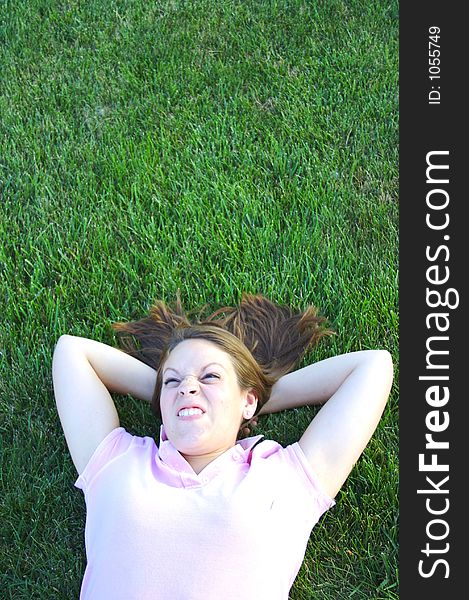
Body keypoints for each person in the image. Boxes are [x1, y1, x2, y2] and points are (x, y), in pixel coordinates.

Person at [52, 293, 393, 600]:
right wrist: (170, 396)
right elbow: (72, 351)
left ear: (248, 401)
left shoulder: (284, 480)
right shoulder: (119, 463)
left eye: (210, 376)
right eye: (172, 379)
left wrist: (252, 398)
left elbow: (373, 366)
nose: (186, 385)